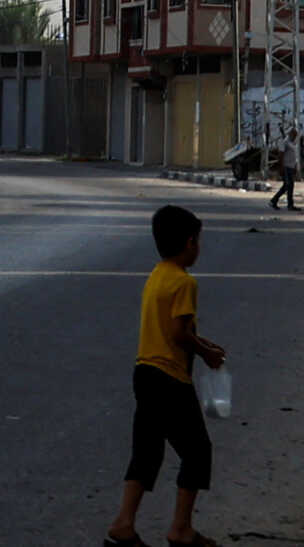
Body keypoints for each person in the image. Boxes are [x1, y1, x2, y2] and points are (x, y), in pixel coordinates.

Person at [104, 204, 227, 547]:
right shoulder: (185, 283)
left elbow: (173, 329)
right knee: (198, 451)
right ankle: (181, 529)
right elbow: (177, 334)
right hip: (170, 378)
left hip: (144, 373)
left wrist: (203, 343)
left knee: (147, 452)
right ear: (190, 243)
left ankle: (123, 524)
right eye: (198, 242)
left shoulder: (157, 275)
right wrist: (206, 354)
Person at [267, 132, 300, 211]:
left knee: (290, 186)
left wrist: (295, 167)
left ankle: (287, 204)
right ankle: (275, 201)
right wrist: (281, 168)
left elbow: (294, 156)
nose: (295, 137)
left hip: (291, 167)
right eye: (294, 135)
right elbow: (280, 155)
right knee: (287, 185)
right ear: (290, 135)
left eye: (296, 135)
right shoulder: (285, 142)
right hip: (285, 167)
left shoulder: (293, 144)